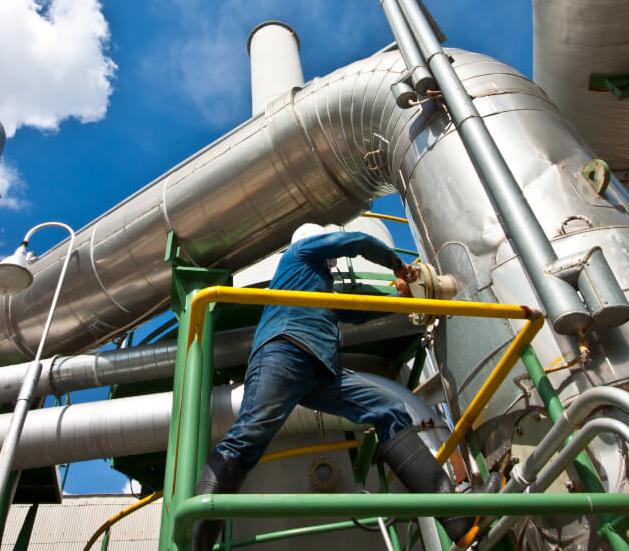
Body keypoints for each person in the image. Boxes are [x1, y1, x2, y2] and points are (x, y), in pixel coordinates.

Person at [191, 223, 481, 551]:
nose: (332, 263)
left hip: (321, 371)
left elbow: (359, 309)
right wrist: (401, 267)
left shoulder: (319, 287)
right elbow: (356, 240)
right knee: (247, 438)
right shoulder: (299, 256)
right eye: (330, 258)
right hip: (285, 350)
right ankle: (197, 544)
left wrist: (399, 295)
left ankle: (458, 520)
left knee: (390, 409)